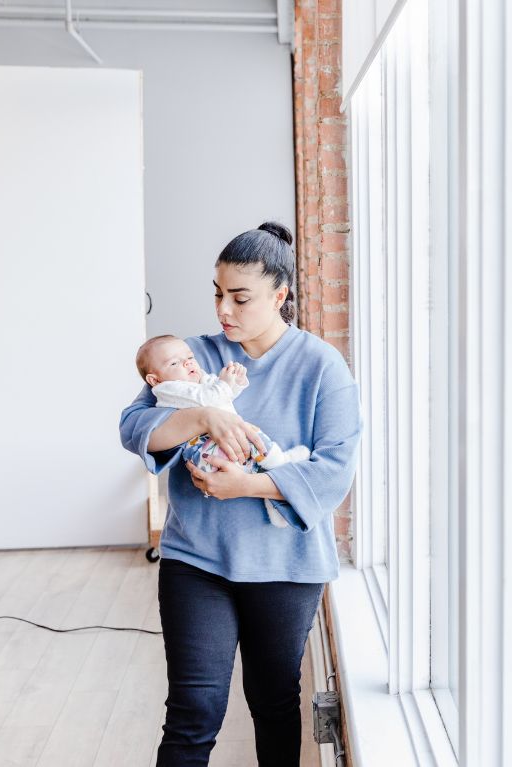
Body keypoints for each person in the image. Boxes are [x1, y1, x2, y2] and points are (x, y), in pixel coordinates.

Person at [119, 221, 361, 767]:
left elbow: (335, 473)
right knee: (192, 710)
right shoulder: (191, 357)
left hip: (285, 569)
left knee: (274, 705)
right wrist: (200, 413)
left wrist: (246, 486)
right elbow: (135, 426)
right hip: (196, 562)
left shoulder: (322, 366)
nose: (223, 310)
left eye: (239, 297)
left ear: (280, 296)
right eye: (217, 293)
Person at [135, 334, 312, 527]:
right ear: (155, 379)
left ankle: (273, 500)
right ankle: (282, 461)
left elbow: (223, 397)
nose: (187, 364)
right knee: (252, 435)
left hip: (215, 450)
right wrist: (224, 383)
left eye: (190, 358)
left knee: (257, 472)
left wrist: (235, 382)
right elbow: (211, 399)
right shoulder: (170, 389)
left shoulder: (195, 380)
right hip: (208, 452)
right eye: (174, 363)